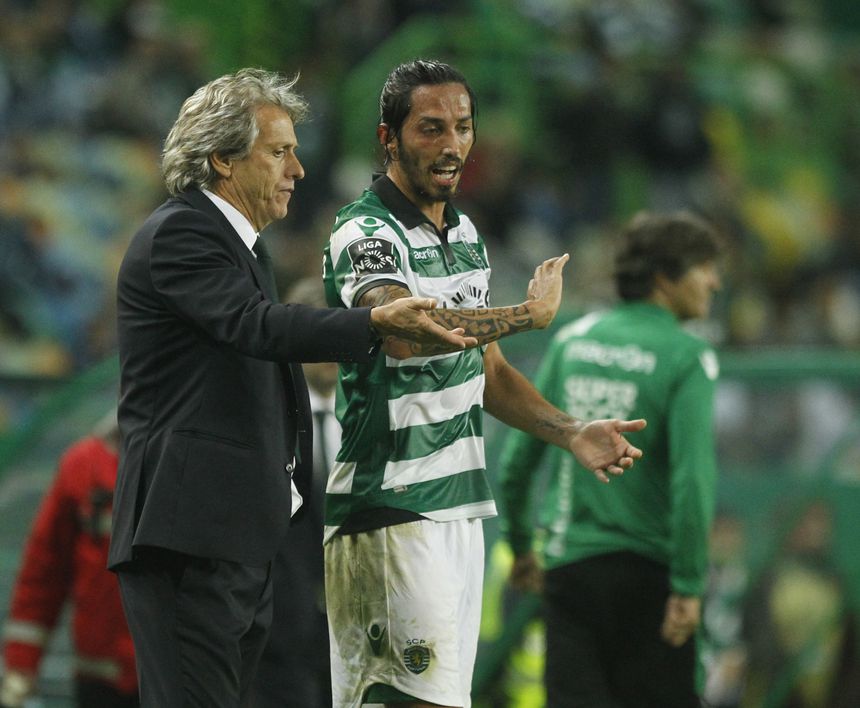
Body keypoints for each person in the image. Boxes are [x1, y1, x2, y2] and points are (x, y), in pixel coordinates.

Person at [107, 67, 476, 708]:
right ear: (222, 159)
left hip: (233, 533)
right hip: (189, 533)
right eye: (279, 152)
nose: (297, 170)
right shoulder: (182, 232)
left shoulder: (241, 247)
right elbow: (255, 327)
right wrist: (372, 320)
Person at [322, 58, 647, 708]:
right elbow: (402, 330)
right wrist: (528, 315)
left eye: (463, 127)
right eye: (431, 128)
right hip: (390, 507)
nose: (451, 146)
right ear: (389, 139)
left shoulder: (466, 236)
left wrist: (570, 431)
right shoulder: (364, 231)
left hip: (458, 509)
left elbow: (487, 370)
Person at [498, 210, 724, 708]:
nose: (715, 281)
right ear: (666, 277)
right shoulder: (688, 356)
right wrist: (688, 585)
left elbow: (516, 465)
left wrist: (521, 546)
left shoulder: (573, 341)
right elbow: (693, 481)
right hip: (652, 577)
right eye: (704, 267)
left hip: (571, 573)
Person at [0, 411, 138, 708]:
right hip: (101, 683)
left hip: (183, 678)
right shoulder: (83, 465)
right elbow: (42, 574)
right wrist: (20, 667)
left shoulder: (200, 462)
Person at [252, 277, 339, 708]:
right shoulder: (267, 422)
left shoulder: (371, 423)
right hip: (279, 632)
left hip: (348, 630)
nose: (329, 352)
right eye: (317, 336)